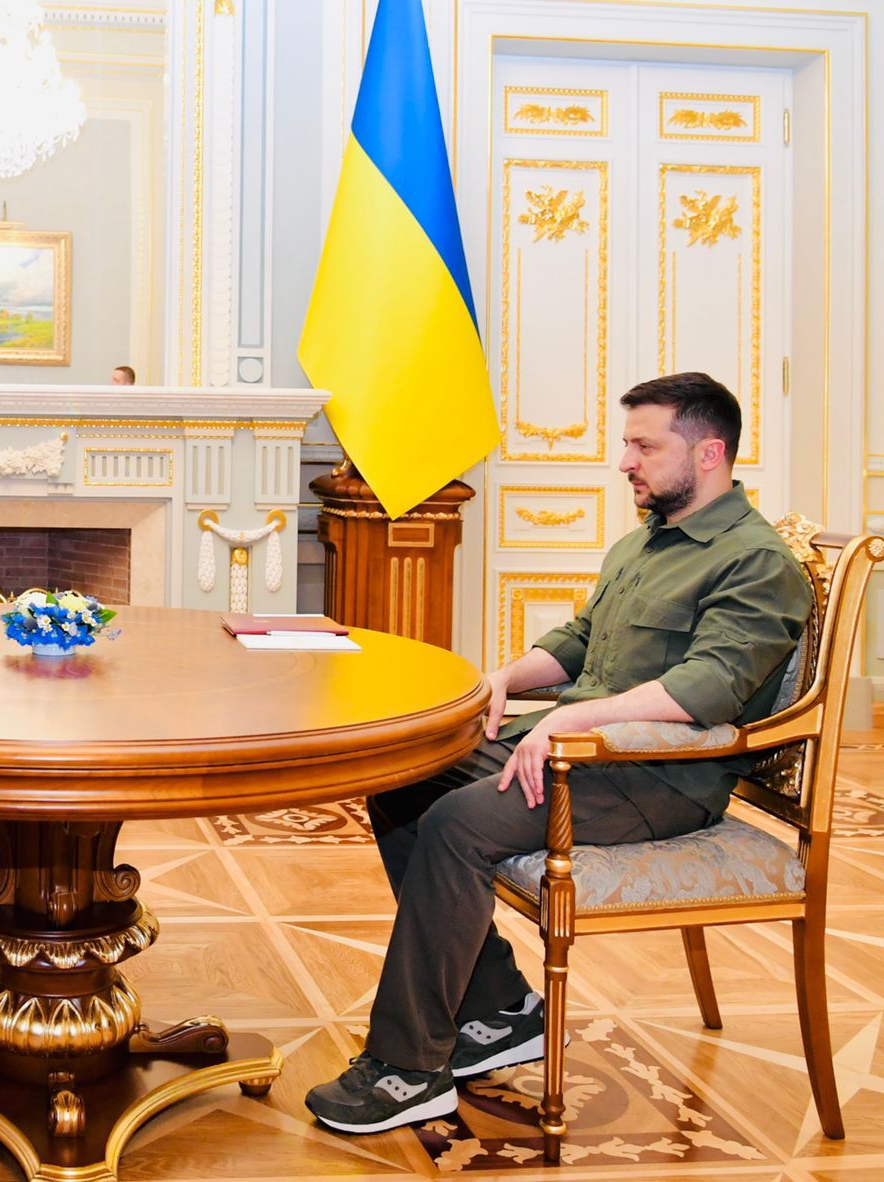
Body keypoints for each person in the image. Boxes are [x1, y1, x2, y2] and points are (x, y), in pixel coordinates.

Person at [305, 372, 812, 1135]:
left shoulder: (755, 562)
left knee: (456, 825)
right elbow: (580, 643)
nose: (624, 461)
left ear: (710, 453)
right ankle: (502, 1009)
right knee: (404, 785)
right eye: (627, 443)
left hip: (657, 776)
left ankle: (409, 1069)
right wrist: (503, 680)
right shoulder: (646, 543)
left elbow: (708, 688)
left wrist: (568, 727)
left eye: (644, 445)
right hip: (581, 752)